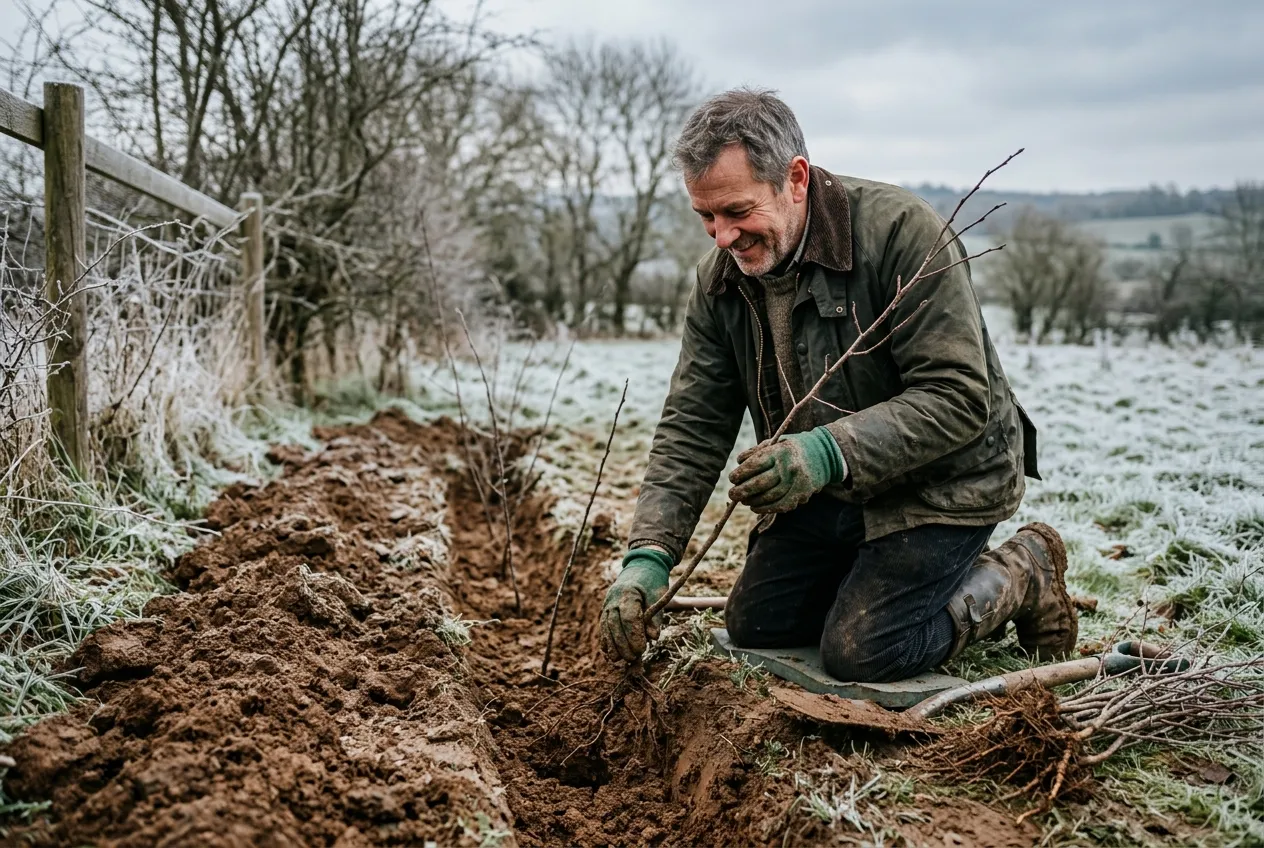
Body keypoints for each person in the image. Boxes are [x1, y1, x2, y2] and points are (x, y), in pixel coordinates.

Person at [598, 88, 1077, 683]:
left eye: (738, 212)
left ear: (794, 179)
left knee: (865, 651)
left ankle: (1020, 570)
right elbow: (694, 424)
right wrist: (649, 557)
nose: (722, 237)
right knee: (759, 627)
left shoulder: (903, 235)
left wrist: (826, 451)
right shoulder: (721, 282)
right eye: (706, 217)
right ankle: (870, 573)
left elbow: (958, 397)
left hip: (944, 483)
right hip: (827, 489)